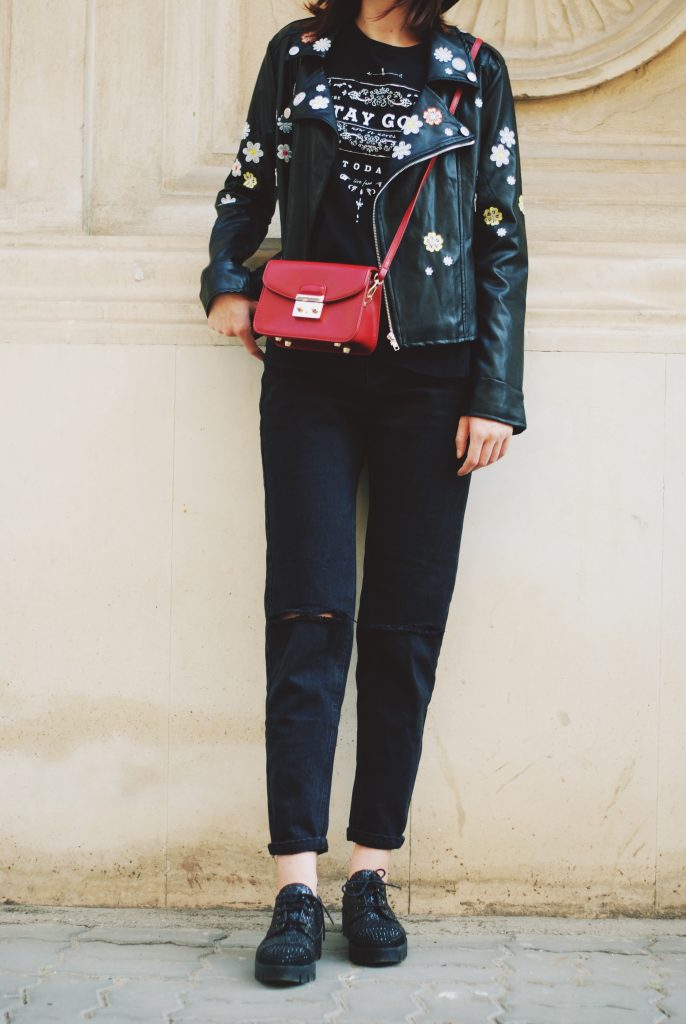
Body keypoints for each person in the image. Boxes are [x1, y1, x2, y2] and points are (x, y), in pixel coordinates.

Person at [199, 0, 528, 986]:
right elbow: (250, 177)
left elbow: (500, 237)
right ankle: (295, 886)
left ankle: (367, 872)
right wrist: (222, 275)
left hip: (434, 375)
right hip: (309, 371)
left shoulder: (472, 66)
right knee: (307, 616)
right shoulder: (298, 53)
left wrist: (494, 395)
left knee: (403, 628)